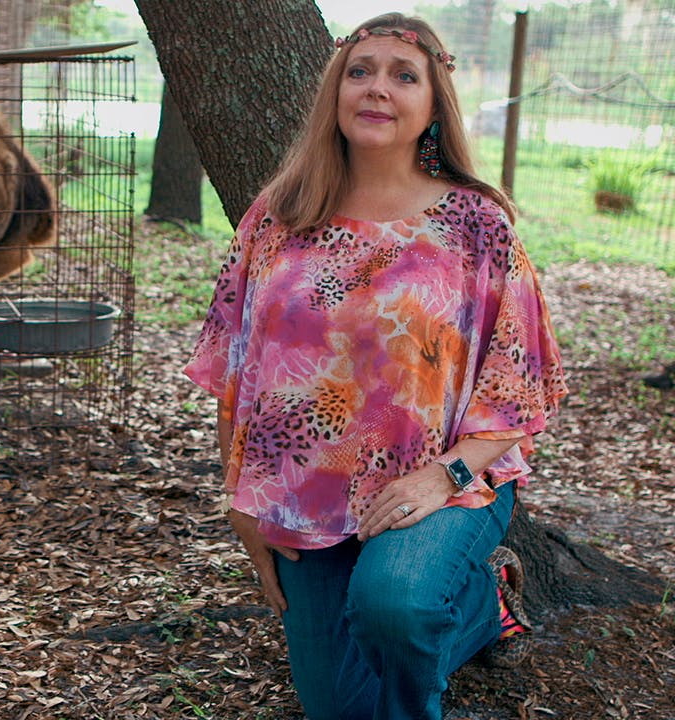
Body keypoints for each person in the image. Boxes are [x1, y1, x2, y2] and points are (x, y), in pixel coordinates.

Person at [183, 13, 568, 720]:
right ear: (335, 92)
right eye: (360, 71)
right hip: (303, 493)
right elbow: (235, 364)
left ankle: (458, 613)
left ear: (432, 107)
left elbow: (517, 389)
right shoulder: (279, 215)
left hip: (443, 483)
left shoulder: (477, 223)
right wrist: (240, 494)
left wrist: (444, 474)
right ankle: (480, 613)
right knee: (339, 703)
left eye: (403, 75)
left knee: (396, 606)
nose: (377, 89)